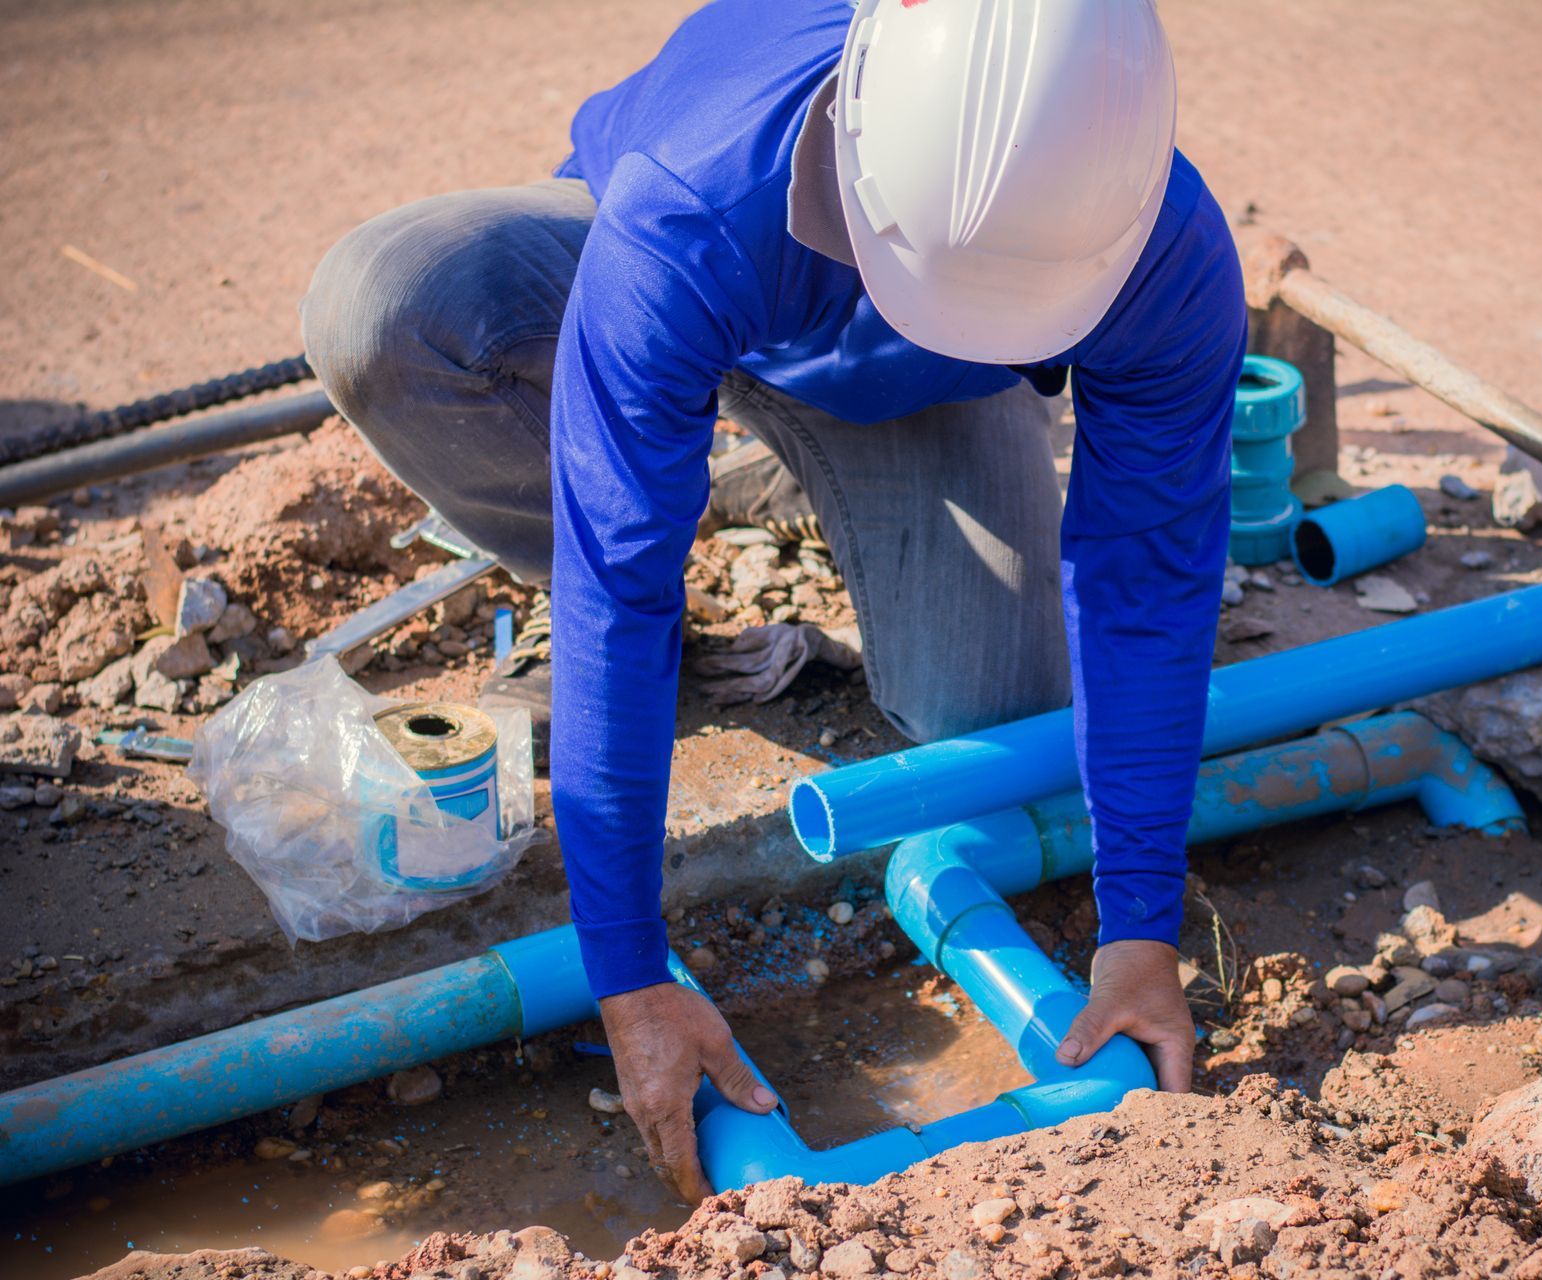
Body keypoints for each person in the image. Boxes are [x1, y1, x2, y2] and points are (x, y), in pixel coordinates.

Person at [300, 0, 1245, 1203]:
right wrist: (629, 970)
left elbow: (1146, 584)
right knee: (389, 303)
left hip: (926, 382)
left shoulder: (1161, 241)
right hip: (692, 279)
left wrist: (1142, 932)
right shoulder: (689, 205)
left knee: (992, 712)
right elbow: (615, 594)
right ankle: (660, 442)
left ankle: (727, 457)